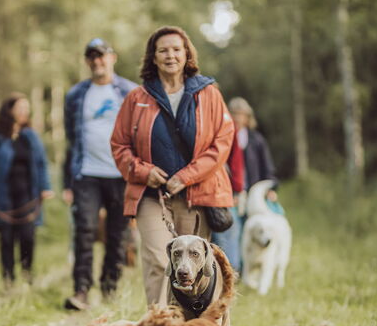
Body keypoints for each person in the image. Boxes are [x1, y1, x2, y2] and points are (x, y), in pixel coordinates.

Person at [111, 25, 235, 305]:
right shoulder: (136, 98)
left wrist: (187, 176)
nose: (170, 55)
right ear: (153, 58)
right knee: (158, 259)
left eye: (176, 49)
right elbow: (119, 145)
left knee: (192, 266)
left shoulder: (208, 94)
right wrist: (145, 172)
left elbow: (223, 142)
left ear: (187, 54)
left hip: (197, 193)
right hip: (151, 195)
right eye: (163, 50)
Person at [63, 38, 138, 311]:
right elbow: (71, 140)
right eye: (92, 57)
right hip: (87, 174)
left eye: (102, 56)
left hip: (121, 175)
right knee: (84, 230)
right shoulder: (75, 95)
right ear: (87, 61)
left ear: (112, 58)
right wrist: (67, 181)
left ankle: (110, 289)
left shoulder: (130, 92)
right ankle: (81, 290)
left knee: (117, 235)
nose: (97, 61)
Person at [0, 93, 53, 285]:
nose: (25, 111)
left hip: (28, 195)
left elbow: (41, 163)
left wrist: (45, 187)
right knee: (6, 239)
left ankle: (27, 275)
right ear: (9, 110)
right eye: (20, 107)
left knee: (27, 237)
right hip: (3, 194)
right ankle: (8, 279)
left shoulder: (30, 136)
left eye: (26, 108)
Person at [228, 97, 282, 214]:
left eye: (240, 114)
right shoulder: (224, 138)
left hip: (255, 194)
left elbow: (267, 167)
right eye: (234, 114)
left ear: (247, 117)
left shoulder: (257, 140)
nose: (237, 118)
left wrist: (269, 189)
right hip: (233, 196)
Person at [210, 134, 246, 272]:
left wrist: (236, 189)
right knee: (223, 236)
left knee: (225, 234)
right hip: (219, 189)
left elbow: (235, 161)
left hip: (222, 190)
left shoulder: (226, 123)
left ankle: (229, 274)